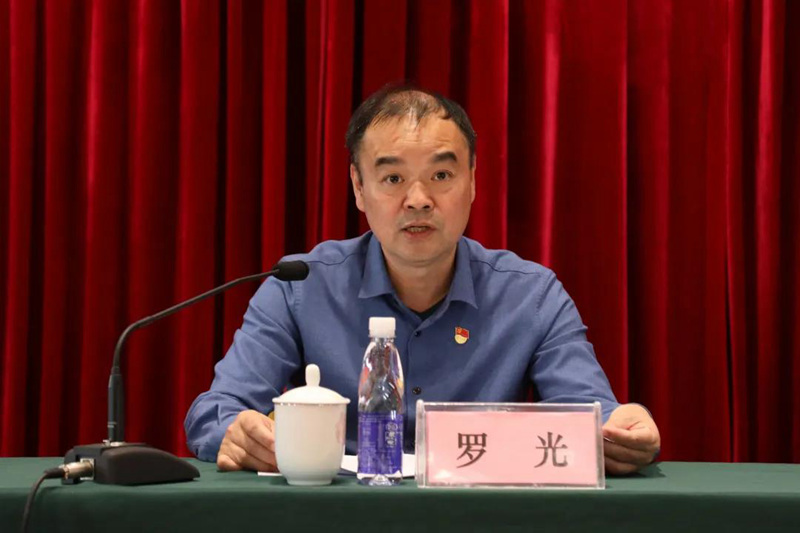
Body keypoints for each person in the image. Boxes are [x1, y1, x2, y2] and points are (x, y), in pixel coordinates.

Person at [184, 86, 661, 476]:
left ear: (472, 182)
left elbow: (592, 418)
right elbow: (216, 411)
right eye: (393, 179)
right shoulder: (300, 285)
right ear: (358, 188)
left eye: (441, 174)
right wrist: (238, 432)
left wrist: (623, 429)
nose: (418, 199)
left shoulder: (530, 296)